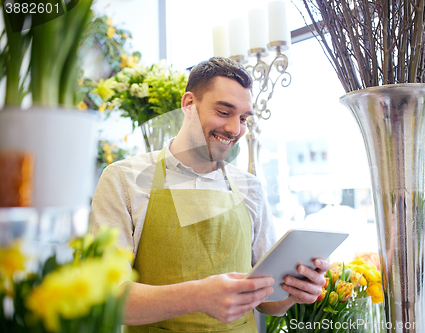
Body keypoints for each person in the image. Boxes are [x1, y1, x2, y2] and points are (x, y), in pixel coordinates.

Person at [90, 57, 329, 332]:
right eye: (224, 112)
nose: (235, 129)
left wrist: (295, 291)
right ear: (189, 104)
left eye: (243, 118)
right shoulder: (124, 179)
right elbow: (106, 298)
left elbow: (268, 302)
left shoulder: (250, 188)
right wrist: (197, 296)